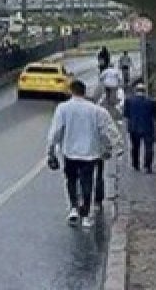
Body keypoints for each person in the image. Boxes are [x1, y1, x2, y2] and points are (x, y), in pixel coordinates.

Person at [47, 80, 121, 229]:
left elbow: (56, 131)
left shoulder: (63, 108)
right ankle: (86, 214)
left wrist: (51, 151)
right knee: (87, 182)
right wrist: (110, 148)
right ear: (84, 92)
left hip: (70, 152)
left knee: (71, 180)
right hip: (90, 153)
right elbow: (106, 130)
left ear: (71, 91)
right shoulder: (95, 110)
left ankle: (74, 208)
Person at [123, 83, 156, 173]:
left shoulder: (129, 101)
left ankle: (135, 164)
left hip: (134, 127)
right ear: (144, 91)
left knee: (135, 146)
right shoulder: (151, 102)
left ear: (135, 91)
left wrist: (129, 125)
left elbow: (126, 115)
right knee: (149, 147)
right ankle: (147, 166)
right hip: (147, 127)